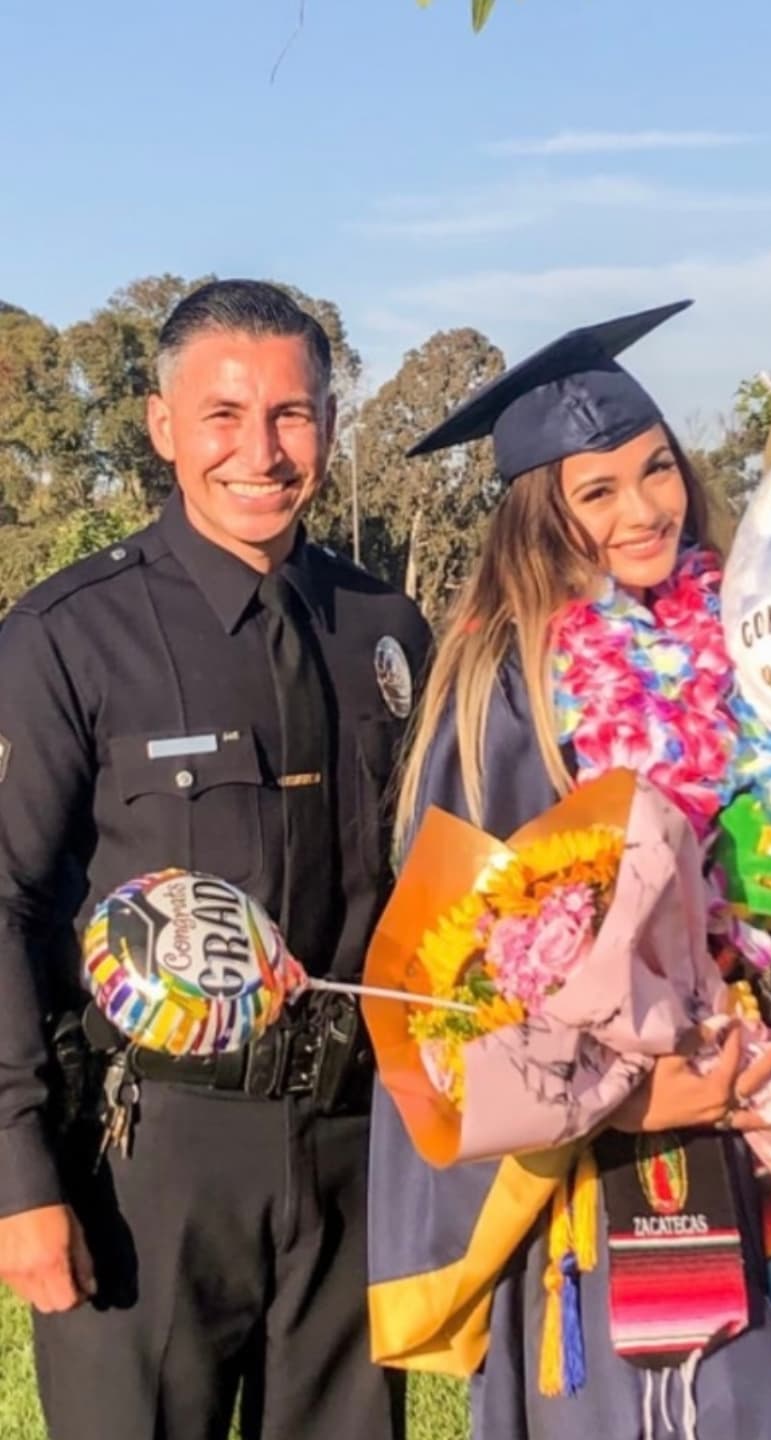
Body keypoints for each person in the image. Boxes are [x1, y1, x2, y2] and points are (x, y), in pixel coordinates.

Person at [367, 300, 771, 1440]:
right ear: (540, 518)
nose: (645, 510)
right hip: (605, 1150)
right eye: (596, 492)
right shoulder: (508, 686)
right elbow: (456, 971)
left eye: (656, 470)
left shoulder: (755, 642)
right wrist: (628, 1091)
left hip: (760, 1102)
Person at [0, 279, 430, 1440]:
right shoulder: (67, 636)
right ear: (162, 427)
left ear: (329, 424)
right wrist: (18, 1177)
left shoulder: (385, 629)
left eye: (291, 415)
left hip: (354, 1146)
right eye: (224, 416)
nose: (262, 452)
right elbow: (5, 903)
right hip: (154, 1157)